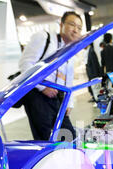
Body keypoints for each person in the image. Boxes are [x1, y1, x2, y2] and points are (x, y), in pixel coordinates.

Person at [18, 11, 82, 141]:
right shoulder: (44, 38)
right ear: (61, 25)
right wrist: (43, 88)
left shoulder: (70, 50)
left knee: (68, 135)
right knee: (45, 138)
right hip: (38, 96)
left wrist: (69, 103)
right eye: (72, 25)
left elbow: (68, 79)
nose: (76, 30)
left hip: (57, 97)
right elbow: (25, 64)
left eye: (79, 28)